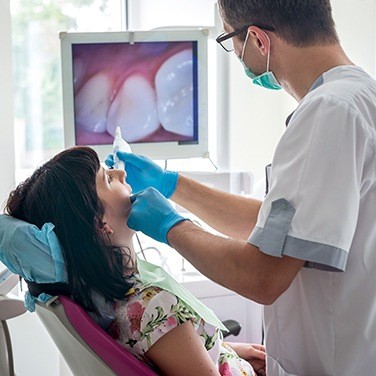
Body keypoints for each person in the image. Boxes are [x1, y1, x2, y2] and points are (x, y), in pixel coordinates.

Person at [106, 1, 376, 375]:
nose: (235, 53)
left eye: (229, 39)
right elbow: (280, 231)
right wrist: (173, 185)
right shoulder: (358, 97)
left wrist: (172, 227)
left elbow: (263, 276)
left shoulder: (328, 112)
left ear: (257, 40)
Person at [3, 146, 266, 376]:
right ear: (99, 223)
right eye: (108, 178)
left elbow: (163, 350)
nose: (122, 174)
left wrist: (226, 351)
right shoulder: (154, 305)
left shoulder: (108, 303)